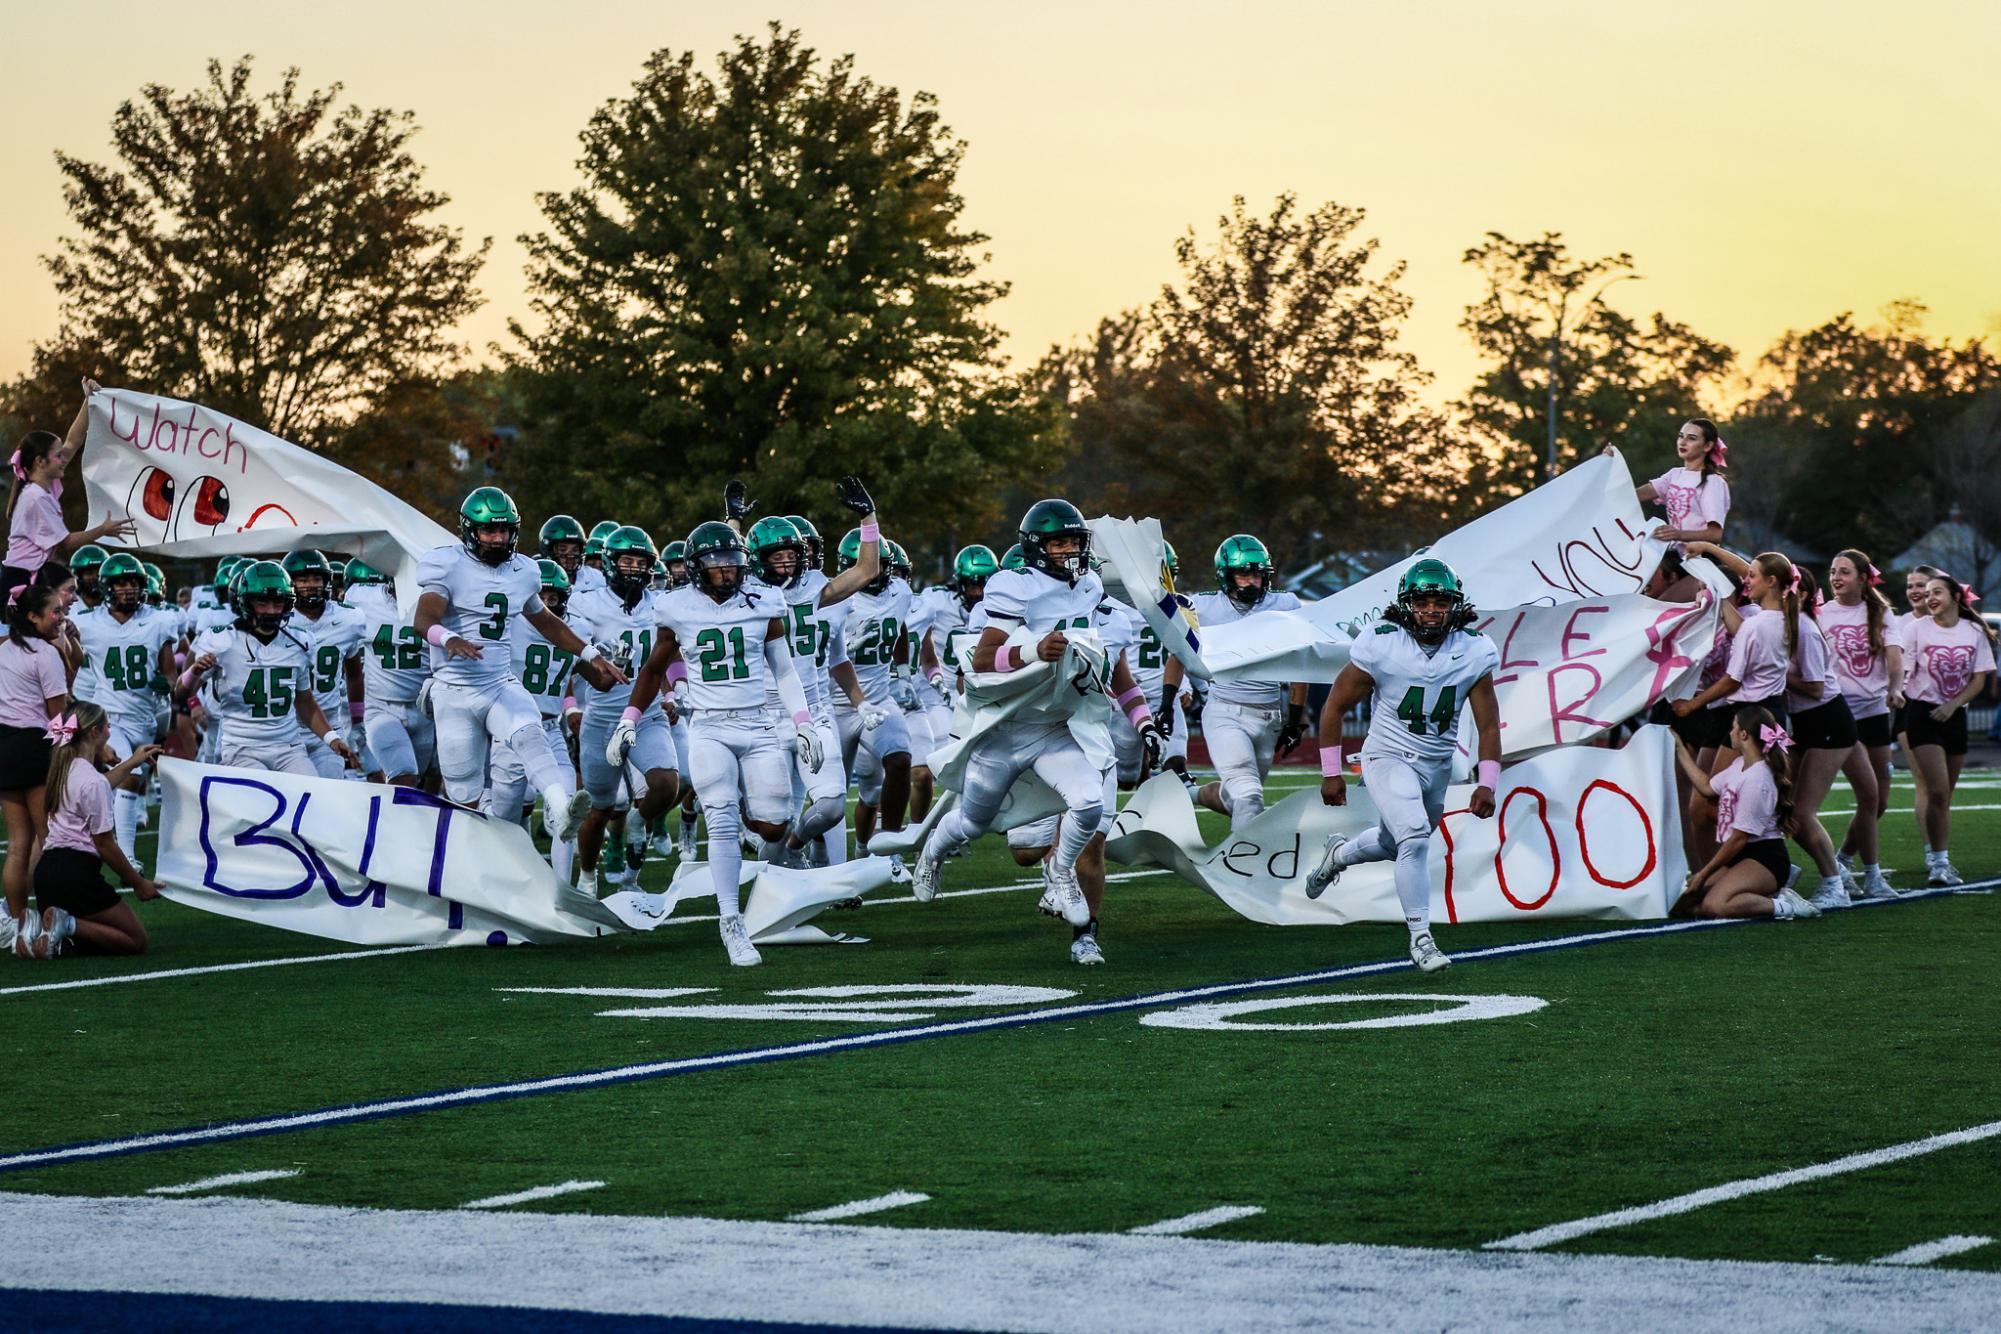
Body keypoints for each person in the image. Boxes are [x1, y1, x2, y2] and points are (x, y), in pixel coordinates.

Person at [908, 499, 1164, 935]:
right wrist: (1033, 651)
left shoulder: (1090, 591)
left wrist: (1145, 724)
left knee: (1089, 803)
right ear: (1036, 547)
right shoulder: (1014, 585)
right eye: (1059, 542)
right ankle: (932, 851)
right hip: (1007, 728)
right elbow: (984, 659)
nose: (1069, 551)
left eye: (1074, 541)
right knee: (973, 821)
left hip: (1057, 727)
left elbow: (1116, 672)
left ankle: (1061, 872)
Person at [621, 520, 825, 966]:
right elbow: (654, 669)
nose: (727, 572)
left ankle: (747, 811)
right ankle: (731, 921)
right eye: (716, 564)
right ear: (696, 568)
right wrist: (629, 718)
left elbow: (785, 669)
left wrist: (804, 721)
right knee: (721, 823)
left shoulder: (765, 601)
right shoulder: (676, 607)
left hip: (758, 724)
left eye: (733, 563)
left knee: (774, 826)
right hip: (709, 727)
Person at [1303, 559, 1501, 973]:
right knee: (1414, 835)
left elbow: (1487, 723)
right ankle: (1421, 939)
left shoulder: (1474, 648)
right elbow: (1335, 708)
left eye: (1440, 601)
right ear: (1406, 604)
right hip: (1387, 755)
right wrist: (1331, 772)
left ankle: (1337, 856)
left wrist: (1487, 782)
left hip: (1437, 764)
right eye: (1423, 601)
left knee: (1396, 844)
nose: (1431, 609)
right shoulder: (1382, 642)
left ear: (1455, 605)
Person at [414, 488, 621, 836]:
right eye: (489, 531)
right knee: (464, 794)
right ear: (469, 530)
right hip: (454, 690)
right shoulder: (446, 564)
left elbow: (546, 621)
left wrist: (591, 654)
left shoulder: (523, 570)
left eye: (505, 530)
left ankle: (561, 808)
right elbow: (424, 619)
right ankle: (470, 859)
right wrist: (451, 639)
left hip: (498, 682)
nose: (498, 539)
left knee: (529, 731)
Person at [568, 525, 681, 894]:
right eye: (627, 560)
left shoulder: (661, 604)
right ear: (610, 563)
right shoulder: (586, 603)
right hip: (601, 719)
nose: (634, 567)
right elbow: (571, 651)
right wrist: (594, 669)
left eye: (641, 561)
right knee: (599, 808)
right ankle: (588, 876)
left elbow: (669, 655)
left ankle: (639, 822)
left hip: (646, 715)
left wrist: (671, 692)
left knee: (666, 784)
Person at [178, 562, 360, 777]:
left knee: (312, 799)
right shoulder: (222, 640)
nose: (272, 611)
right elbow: (180, 694)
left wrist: (332, 739)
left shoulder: (300, 643)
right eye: (263, 603)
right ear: (246, 602)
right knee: (260, 803)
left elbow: (305, 702)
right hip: (241, 748)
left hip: (288, 747)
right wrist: (194, 673)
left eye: (277, 603)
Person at [1181, 535, 1310, 829]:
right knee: (1249, 796)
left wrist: (1296, 719)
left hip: (1269, 717)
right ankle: (1243, 870)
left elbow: (1301, 662)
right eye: (1244, 574)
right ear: (1226, 575)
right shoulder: (1202, 606)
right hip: (1225, 710)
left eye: (1257, 574)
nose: (1252, 581)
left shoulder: (1286, 604)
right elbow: (1178, 650)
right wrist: (1168, 697)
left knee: (1235, 797)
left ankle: (1189, 793)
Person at [29, 702, 162, 957]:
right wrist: (138, 884)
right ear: (93, 733)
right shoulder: (91, 780)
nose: (110, 731)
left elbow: (98, 786)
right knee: (135, 940)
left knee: (93, 940)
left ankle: (48, 931)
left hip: (46, 875)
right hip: (76, 874)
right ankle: (65, 923)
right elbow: (105, 844)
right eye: (106, 726)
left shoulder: (62, 768)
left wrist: (132, 762)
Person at [70, 553, 177, 862]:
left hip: (144, 716)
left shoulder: (159, 620)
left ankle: (102, 839)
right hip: (107, 718)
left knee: (133, 784)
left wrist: (166, 682)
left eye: (133, 582)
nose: (128, 589)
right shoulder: (86, 622)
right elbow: (67, 656)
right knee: (128, 775)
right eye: (121, 583)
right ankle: (127, 856)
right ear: (107, 587)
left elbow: (169, 672)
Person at [1671, 708, 1819, 921]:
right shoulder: (1739, 765)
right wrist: (1680, 749)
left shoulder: (1758, 779)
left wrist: (1703, 874)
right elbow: (1706, 787)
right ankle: (1755, 894)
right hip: (1740, 856)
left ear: (1744, 735)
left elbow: (1739, 838)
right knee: (1685, 905)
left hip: (1763, 858)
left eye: (1733, 728)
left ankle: (1785, 905)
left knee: (1716, 906)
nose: (1729, 732)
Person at [1900, 572, 1995, 886]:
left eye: (1936, 592)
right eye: (1927, 593)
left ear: (1956, 598)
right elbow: (1905, 668)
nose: (1929, 598)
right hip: (1922, 713)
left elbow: (1979, 679)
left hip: (1954, 715)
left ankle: (1938, 856)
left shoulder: (1973, 631)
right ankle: (1938, 863)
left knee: (1945, 796)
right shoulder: (1916, 629)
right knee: (1937, 789)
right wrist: (1896, 689)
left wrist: (1953, 705)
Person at [3, 383, 137, 603]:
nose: (63, 457)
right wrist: (102, 530)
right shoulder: (35, 498)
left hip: (31, 573)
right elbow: (67, 543)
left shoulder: (44, 484)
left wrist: (88, 400)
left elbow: (73, 441)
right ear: (40, 462)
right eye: (57, 455)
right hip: (20, 578)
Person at [1819, 550, 1901, 900]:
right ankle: (1868, 874)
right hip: (1836, 714)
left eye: (1845, 572)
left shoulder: (1880, 613)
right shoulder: (1821, 612)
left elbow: (1895, 659)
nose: (1836, 577)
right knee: (1863, 795)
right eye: (1834, 571)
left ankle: (1842, 859)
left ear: (1864, 578)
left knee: (1878, 801)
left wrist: (1895, 689)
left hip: (1873, 713)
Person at [0, 583, 75, 957]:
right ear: (32, 616)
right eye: (55, 612)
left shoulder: (4, 649)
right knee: (50, 840)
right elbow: (58, 718)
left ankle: (16, 930)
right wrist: (74, 754)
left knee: (17, 846)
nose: (61, 617)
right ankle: (48, 924)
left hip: (4, 746)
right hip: (34, 748)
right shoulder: (45, 654)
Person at [347, 558, 433, 787]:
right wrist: (355, 715)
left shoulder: (434, 606)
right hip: (381, 707)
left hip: (426, 710)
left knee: (428, 784)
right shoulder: (362, 599)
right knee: (403, 777)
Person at [281, 550, 367, 780]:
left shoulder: (349, 620)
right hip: (284, 727)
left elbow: (354, 674)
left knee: (330, 795)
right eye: (303, 579)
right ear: (289, 582)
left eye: (317, 579)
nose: (311, 585)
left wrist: (357, 719)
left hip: (330, 724)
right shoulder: (278, 620)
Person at [1626, 420, 1730, 548]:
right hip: (1674, 553)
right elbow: (1633, 496)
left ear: (1707, 446)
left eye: (1691, 438)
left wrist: (1678, 534)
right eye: (1681, 436)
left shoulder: (1712, 482)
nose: (1683, 442)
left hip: (1699, 557)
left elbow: (1715, 534)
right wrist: (1611, 463)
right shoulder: (1674, 475)